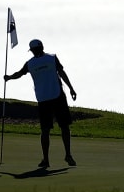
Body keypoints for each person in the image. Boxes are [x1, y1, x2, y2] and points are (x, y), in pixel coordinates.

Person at [5, 38, 78, 167]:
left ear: (32, 51)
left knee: (45, 130)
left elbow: (19, 74)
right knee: (64, 126)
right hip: (57, 96)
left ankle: (46, 160)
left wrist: (9, 77)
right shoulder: (52, 58)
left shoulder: (30, 63)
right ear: (42, 47)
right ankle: (68, 155)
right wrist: (71, 88)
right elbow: (62, 73)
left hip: (43, 99)